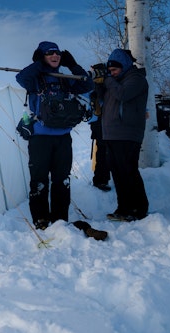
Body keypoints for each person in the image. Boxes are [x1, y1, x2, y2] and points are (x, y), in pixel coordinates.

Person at [15, 41, 93, 229]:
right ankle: (41, 219)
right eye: (49, 53)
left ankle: (60, 219)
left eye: (57, 53)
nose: (55, 56)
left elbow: (87, 84)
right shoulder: (35, 79)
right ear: (42, 56)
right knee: (39, 179)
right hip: (40, 138)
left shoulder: (64, 78)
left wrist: (72, 65)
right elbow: (21, 78)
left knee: (62, 179)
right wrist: (40, 64)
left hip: (63, 138)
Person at [101, 48, 149, 221]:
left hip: (128, 133)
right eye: (110, 71)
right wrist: (99, 82)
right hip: (112, 133)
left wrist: (107, 80)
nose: (112, 74)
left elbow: (123, 94)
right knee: (118, 173)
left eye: (114, 70)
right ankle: (124, 208)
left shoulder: (136, 79)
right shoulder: (115, 81)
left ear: (125, 66)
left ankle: (139, 209)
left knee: (128, 170)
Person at [88, 62, 112, 191]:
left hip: (98, 122)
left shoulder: (96, 83)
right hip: (106, 121)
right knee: (105, 151)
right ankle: (102, 178)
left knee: (102, 151)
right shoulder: (107, 82)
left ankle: (100, 179)